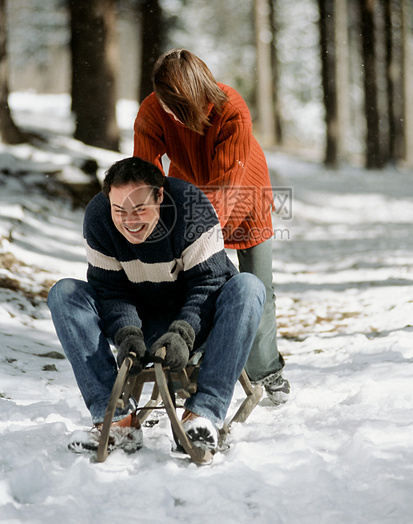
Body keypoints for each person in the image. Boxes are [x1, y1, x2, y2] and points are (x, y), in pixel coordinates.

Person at [48, 156, 265, 455]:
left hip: (199, 319)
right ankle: (117, 421)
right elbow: (109, 290)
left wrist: (183, 334)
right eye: (119, 210)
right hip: (141, 322)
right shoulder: (99, 217)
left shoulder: (191, 208)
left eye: (139, 209)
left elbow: (209, 284)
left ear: (160, 195)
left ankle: (202, 416)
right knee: (64, 293)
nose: (129, 221)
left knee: (249, 287)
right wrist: (127, 333)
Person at [132, 48, 289, 404]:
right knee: (189, 279)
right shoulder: (154, 109)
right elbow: (143, 173)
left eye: (174, 106)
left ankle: (266, 370)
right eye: (163, 103)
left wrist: (197, 239)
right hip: (188, 190)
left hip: (244, 192)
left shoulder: (232, 110)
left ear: (192, 94)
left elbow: (226, 189)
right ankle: (197, 351)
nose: (167, 111)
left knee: (257, 284)